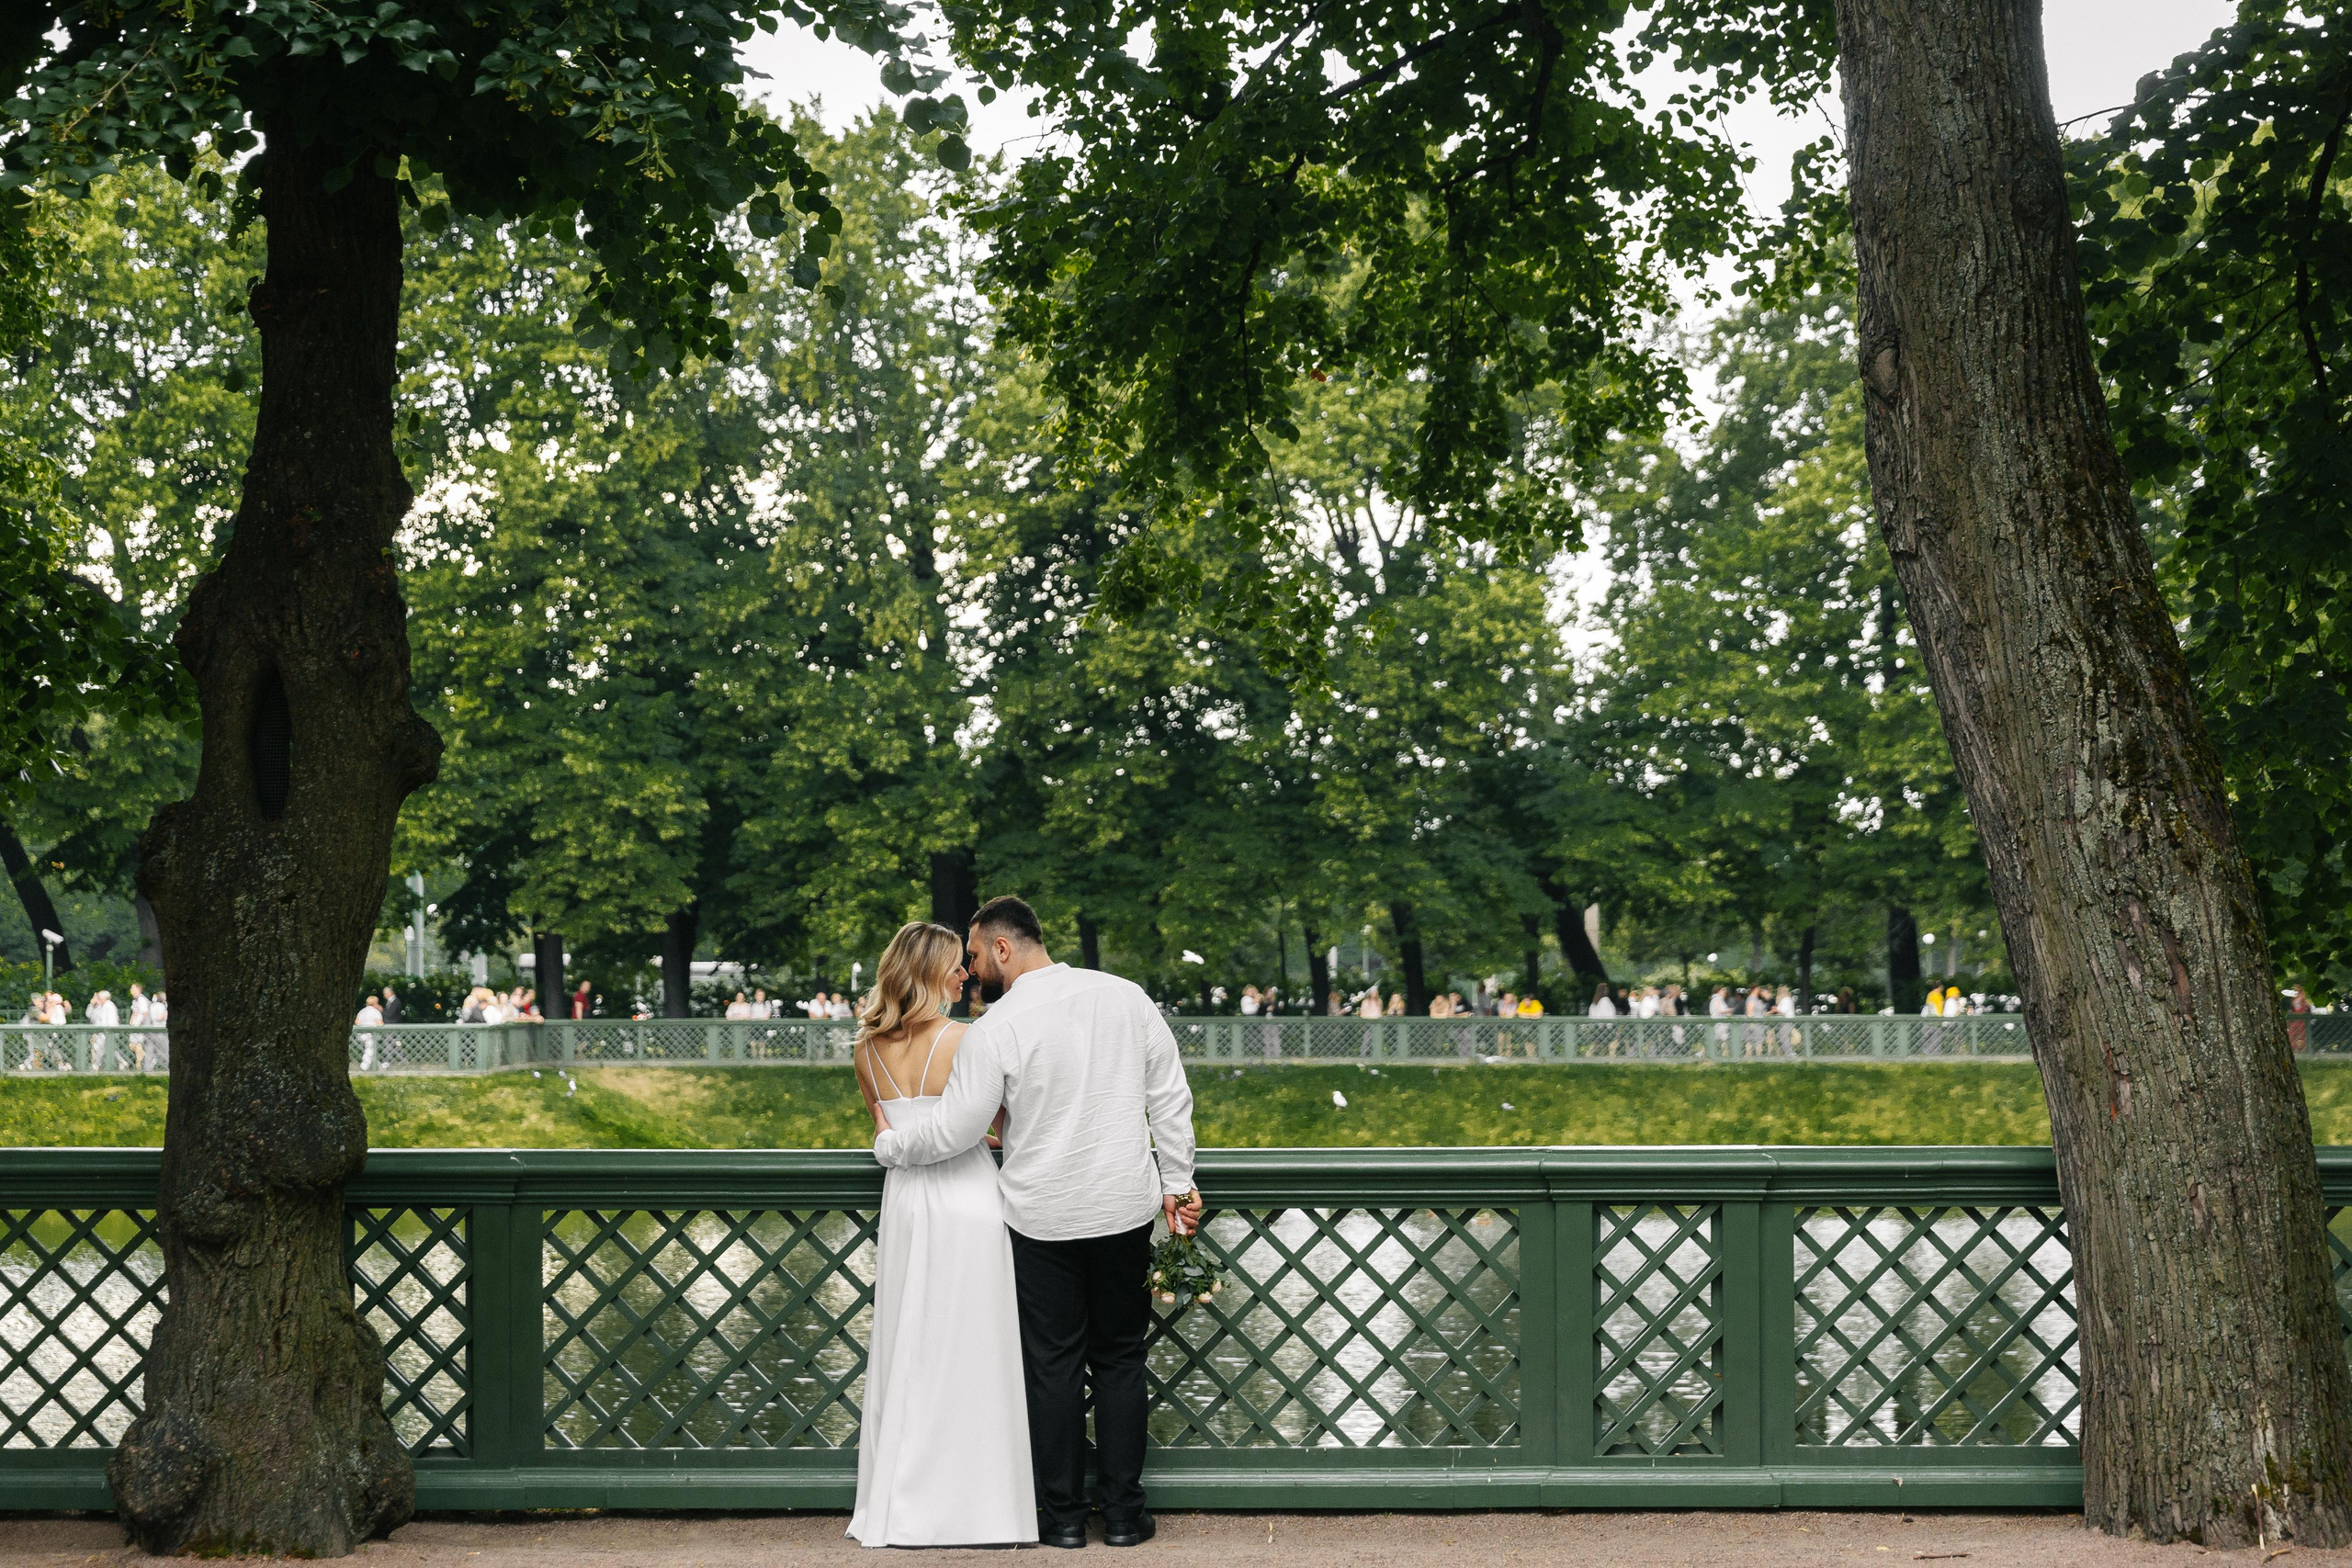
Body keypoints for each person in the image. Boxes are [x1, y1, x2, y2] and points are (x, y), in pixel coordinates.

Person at [872, 895, 1201, 1551]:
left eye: (972, 954)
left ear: (1001, 948)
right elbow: (1168, 1094)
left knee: (1053, 1365)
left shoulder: (998, 1027)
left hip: (1041, 1215)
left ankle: (1064, 1518)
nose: (969, 969)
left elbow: (961, 1127)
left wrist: (892, 1144)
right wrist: (1177, 1181)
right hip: (1120, 1207)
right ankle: (1127, 1515)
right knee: (1120, 1358)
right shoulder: (1125, 997)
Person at [846, 920, 1035, 1548]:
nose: (966, 974)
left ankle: (900, 1502)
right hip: (967, 1198)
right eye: (956, 964)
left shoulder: (866, 1049)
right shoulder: (967, 1039)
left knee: (909, 1342)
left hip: (904, 1201)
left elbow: (883, 1134)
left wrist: (904, 1139)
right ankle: (978, 1505)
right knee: (973, 1345)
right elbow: (1000, 1129)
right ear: (930, 972)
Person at [356, 993, 384, 1072]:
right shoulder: (375, 1012)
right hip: (371, 1035)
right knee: (370, 1051)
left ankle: (379, 1067)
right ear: (375, 1003)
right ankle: (363, 1067)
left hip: (361, 1035)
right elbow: (380, 1024)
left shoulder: (362, 1011)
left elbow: (357, 1022)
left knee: (371, 1051)